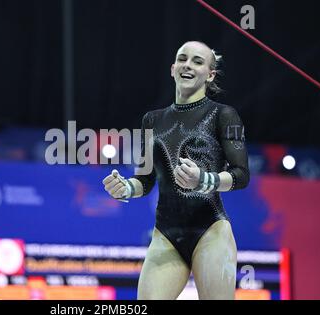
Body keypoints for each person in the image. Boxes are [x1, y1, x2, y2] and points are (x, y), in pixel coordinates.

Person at [102, 41, 250, 300]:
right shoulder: (152, 120)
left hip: (210, 230)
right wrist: (126, 187)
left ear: (210, 74)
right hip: (166, 234)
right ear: (173, 69)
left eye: (197, 61)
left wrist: (204, 179)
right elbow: (145, 180)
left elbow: (241, 175)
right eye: (183, 59)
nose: (188, 65)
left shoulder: (223, 115)